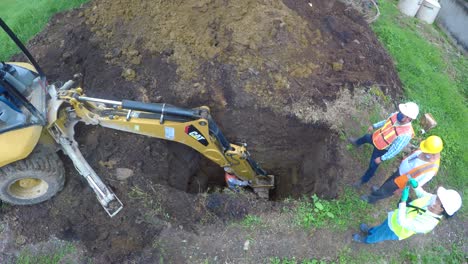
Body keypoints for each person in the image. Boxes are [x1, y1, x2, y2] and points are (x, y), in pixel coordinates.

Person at [353, 185, 462, 243]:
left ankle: (366, 239)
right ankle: (370, 231)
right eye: (438, 198)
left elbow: (403, 222)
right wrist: (416, 186)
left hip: (396, 229)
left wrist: (403, 201)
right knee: (380, 227)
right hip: (394, 217)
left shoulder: (427, 224)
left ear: (443, 209)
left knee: (379, 235)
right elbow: (423, 194)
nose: (435, 200)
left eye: (439, 201)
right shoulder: (434, 199)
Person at [349, 102, 419, 187]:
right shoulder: (396, 115)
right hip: (377, 137)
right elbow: (386, 122)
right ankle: (357, 143)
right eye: (401, 111)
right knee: (367, 137)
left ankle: (363, 180)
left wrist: (382, 158)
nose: (399, 114)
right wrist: (374, 126)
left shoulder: (405, 134)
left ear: (409, 118)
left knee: (373, 165)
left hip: (382, 149)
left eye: (402, 113)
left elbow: (395, 150)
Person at [361, 135, 443, 204]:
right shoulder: (426, 150)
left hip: (401, 182)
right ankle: (379, 190)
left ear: (433, 154)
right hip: (399, 173)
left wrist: (402, 189)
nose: (423, 151)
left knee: (386, 191)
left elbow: (417, 183)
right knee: (387, 183)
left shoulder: (430, 170)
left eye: (426, 151)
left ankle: (371, 198)